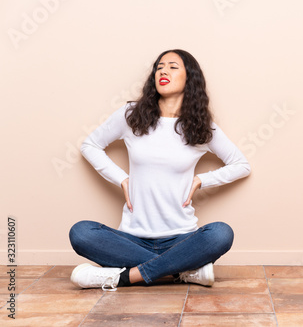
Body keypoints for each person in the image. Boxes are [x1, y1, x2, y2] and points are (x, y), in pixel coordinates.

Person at [69, 49, 251, 291]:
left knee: (220, 234)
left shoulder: (201, 127)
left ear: (190, 78)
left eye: (173, 67)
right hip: (131, 238)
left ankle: (123, 278)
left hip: (182, 238)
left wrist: (201, 180)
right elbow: (90, 145)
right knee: (81, 233)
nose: (163, 71)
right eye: (159, 67)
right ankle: (181, 272)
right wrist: (122, 179)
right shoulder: (131, 115)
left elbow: (242, 165)